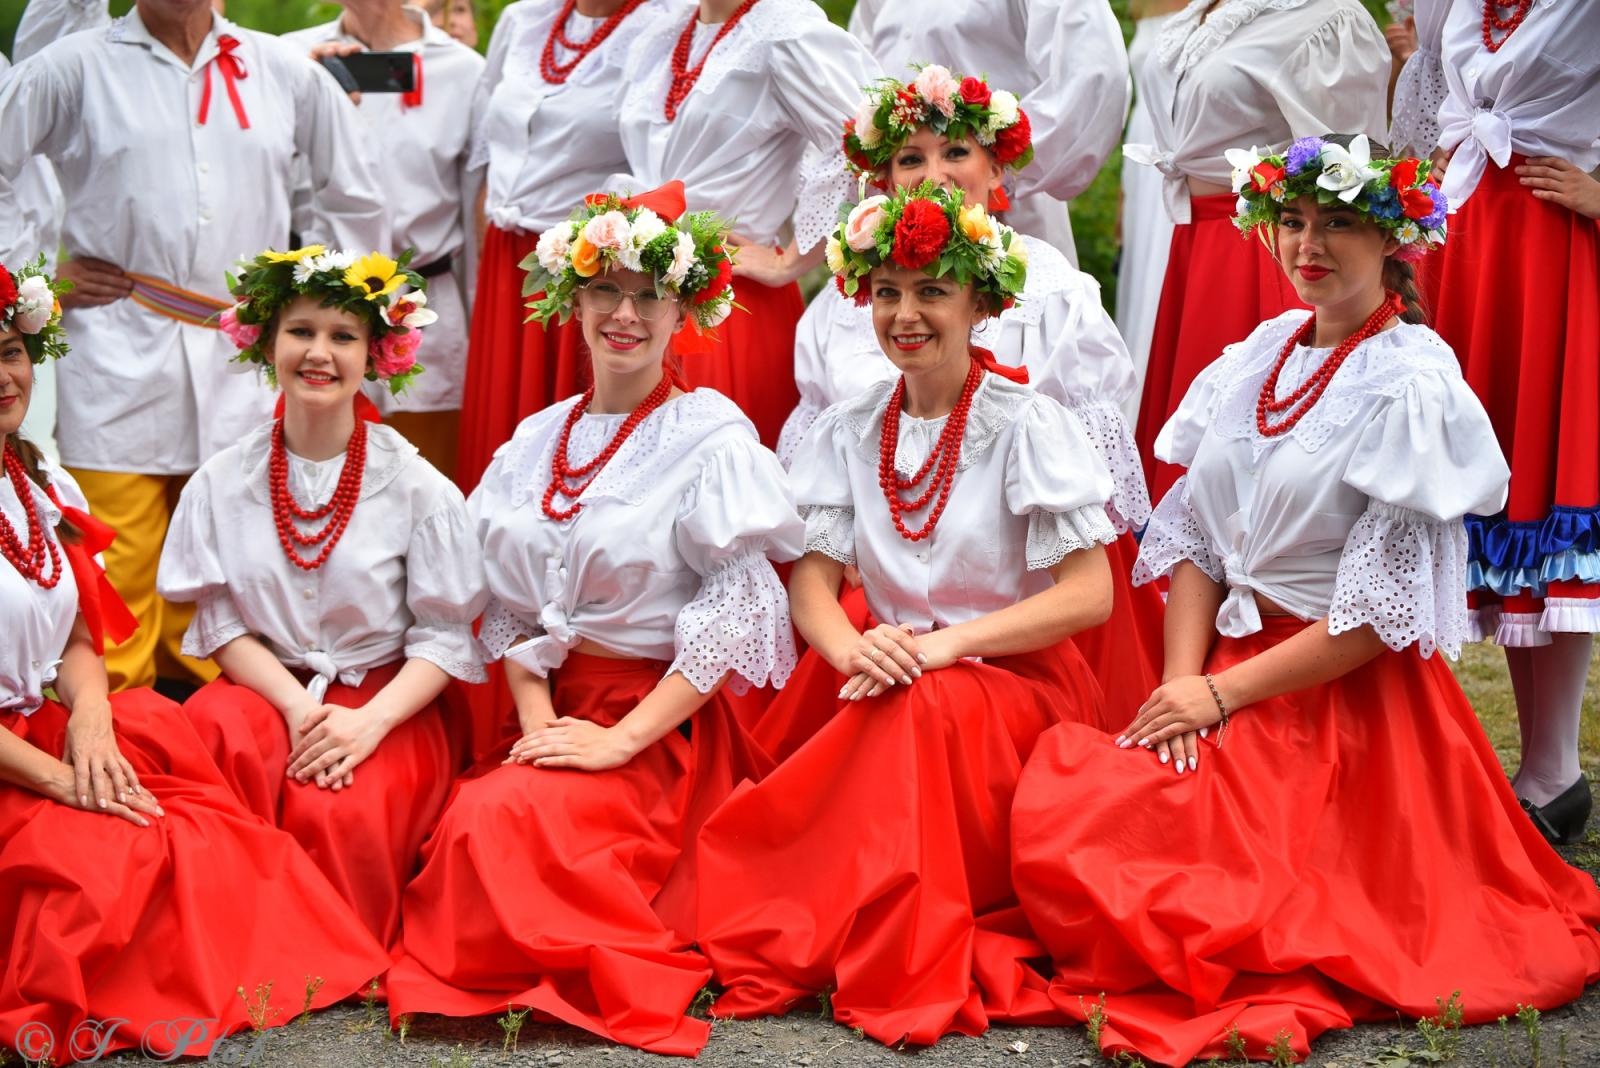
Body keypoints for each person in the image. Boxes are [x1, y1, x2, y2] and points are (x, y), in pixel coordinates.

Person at [1009, 138, 1600, 1066]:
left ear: (1393, 241)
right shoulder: (1259, 355)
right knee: (1093, 819)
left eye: (1338, 226)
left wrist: (1222, 698)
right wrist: (1180, 683)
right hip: (1222, 673)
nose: (1307, 244)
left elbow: (1373, 617)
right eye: (1291, 221)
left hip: (1340, 701)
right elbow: (1200, 537)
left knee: (1199, 893)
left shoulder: (1411, 380)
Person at [695, 185, 1117, 1047]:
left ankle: (884, 931)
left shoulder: (1029, 423)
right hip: (886, 673)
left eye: (930, 292)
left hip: (1015, 685)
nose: (905, 314)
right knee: (904, 702)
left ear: (980, 304)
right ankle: (834, 912)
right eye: (887, 291)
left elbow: (1090, 594)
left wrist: (943, 648)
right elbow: (810, 582)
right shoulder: (850, 428)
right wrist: (854, 649)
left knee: (918, 703)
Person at [386, 184, 800, 1056]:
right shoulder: (532, 440)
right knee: (483, 816)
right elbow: (504, 606)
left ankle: (534, 950)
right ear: (570, 300)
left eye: (650, 295)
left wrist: (617, 743)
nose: (626, 313)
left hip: (659, 732)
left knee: (497, 823)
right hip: (546, 707)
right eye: (605, 290)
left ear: (684, 308)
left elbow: (733, 610)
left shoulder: (709, 433)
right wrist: (539, 725)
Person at [0, 258, 389, 1061]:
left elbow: (76, 632)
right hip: (13, 761)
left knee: (199, 815)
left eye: (10, 351)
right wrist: (62, 781)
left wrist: (95, 719)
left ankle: (276, 971)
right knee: (117, 851)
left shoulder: (38, 484)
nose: (5, 375)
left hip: (47, 723)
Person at [0, 0, 389, 695]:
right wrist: (31, 286)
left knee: (237, 561)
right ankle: (118, 742)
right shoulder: (73, 68)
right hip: (117, 355)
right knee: (116, 565)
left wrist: (318, 313)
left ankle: (226, 740)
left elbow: (354, 198)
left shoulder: (285, 72)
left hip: (243, 361)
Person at [778, 67, 1160, 734]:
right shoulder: (845, 392)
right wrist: (856, 635)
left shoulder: (1047, 301)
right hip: (877, 616)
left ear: (995, 169)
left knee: (928, 715)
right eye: (909, 157)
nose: (933, 172)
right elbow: (818, 551)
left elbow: (1087, 561)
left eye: (955, 151)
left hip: (1007, 604)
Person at [156, 247, 485, 951]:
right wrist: (301, 706)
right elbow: (219, 622)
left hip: (383, 699)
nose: (319, 353)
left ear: (378, 354)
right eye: (302, 331)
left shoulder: (417, 486)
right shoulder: (221, 480)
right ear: (266, 341)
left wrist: (367, 724)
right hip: (265, 688)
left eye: (343, 337)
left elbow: (445, 637)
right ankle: (225, 934)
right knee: (215, 740)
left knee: (342, 813)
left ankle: (325, 953)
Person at [1428, 0, 1600, 846]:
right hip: (1475, 241)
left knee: (1543, 489)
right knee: (1497, 503)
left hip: (1560, 247)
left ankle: (1555, 766)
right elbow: (1436, 105)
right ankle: (1543, 769)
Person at [1125, 0, 1388, 505]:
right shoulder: (1197, 15)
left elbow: (1352, 176)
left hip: (1262, 250)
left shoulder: (1324, 19)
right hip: (1193, 241)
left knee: (1255, 450)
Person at [610, 0, 882, 449]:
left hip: (725, 302)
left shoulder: (785, 32)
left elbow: (873, 143)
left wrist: (791, 260)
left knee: (711, 475)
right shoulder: (663, 33)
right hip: (637, 289)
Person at [454, 0, 656, 493]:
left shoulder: (663, 27)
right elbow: (488, 153)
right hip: (508, 261)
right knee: (500, 429)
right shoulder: (524, 18)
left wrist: (786, 255)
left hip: (588, 270)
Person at [285, 0, 486, 479]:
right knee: (316, 478)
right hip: (316, 308)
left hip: (426, 311)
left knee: (427, 482)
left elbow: (476, 203)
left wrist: (482, 326)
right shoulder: (292, 58)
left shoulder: (462, 71)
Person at [846, 0, 1127, 265]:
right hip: (899, 223)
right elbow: (856, 82)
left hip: (1006, 214)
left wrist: (1000, 171)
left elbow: (1095, 72)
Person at [1114, 0, 1186, 386]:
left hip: (1176, 141)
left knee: (1163, 265)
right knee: (1139, 269)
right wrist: (1124, 202)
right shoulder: (1142, 6)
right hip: (1140, 152)